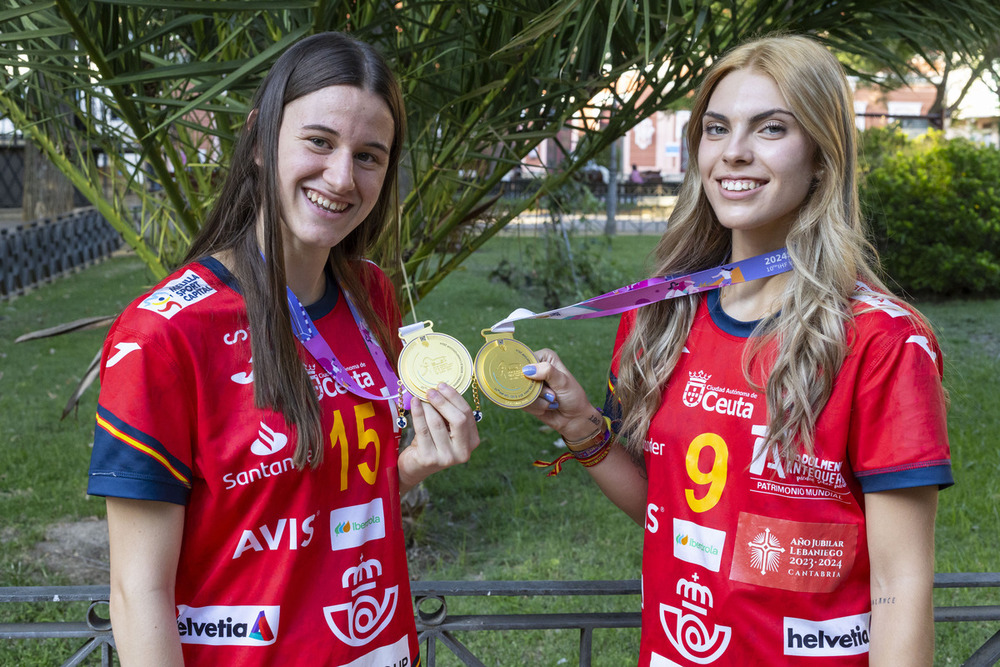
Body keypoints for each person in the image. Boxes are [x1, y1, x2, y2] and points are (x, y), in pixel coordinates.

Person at [521, 35, 951, 666]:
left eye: (771, 128)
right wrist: (581, 427)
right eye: (716, 129)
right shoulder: (659, 315)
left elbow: (900, 585)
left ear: (823, 158)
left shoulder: (883, 341)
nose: (734, 153)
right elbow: (668, 506)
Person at [87, 32, 480, 666]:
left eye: (370, 156)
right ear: (262, 141)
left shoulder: (371, 295)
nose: (341, 176)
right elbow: (138, 593)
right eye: (319, 142)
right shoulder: (163, 334)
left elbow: (322, 496)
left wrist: (410, 467)